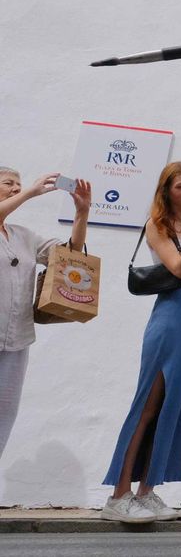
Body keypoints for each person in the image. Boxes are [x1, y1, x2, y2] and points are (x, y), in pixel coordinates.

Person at [102, 162, 181, 523]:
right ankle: (118, 495)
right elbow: (178, 268)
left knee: (178, 403)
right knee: (148, 404)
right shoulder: (157, 225)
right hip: (172, 315)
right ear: (166, 192)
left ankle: (147, 492)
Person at [0, 169, 91, 462]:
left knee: (4, 416)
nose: (16, 188)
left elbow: (71, 253)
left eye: (18, 183)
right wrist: (30, 192)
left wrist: (82, 212)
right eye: (8, 183)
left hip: (16, 339)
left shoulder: (23, 236)